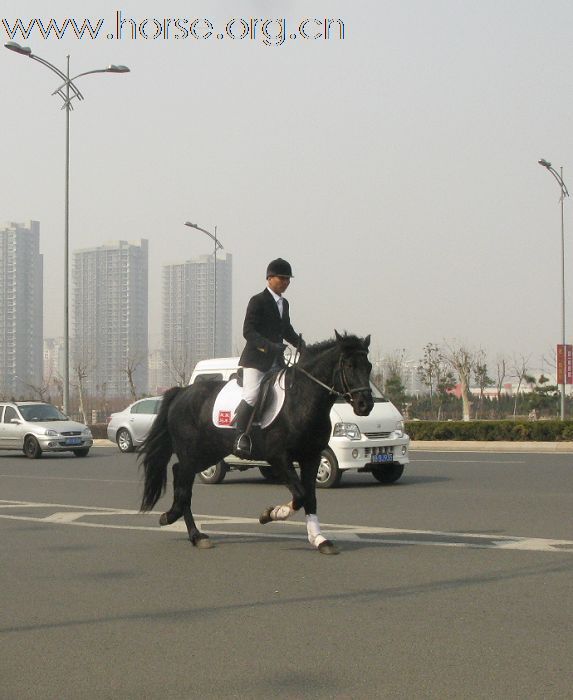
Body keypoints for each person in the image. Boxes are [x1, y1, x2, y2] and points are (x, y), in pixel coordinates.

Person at [233, 258, 303, 457]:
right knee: (252, 395)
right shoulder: (258, 300)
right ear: (270, 278)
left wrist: (301, 344)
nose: (286, 282)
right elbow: (248, 331)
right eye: (282, 278)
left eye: (288, 279)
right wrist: (269, 346)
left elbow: (286, 329)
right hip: (256, 360)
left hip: (277, 362)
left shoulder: (284, 304)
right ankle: (240, 436)